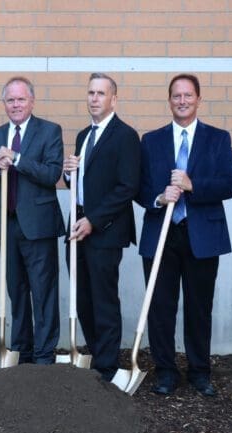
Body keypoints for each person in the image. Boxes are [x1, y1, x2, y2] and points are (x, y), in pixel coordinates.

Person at [137, 74, 232, 397]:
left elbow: (229, 184)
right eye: (176, 96)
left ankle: (199, 371)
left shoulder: (218, 138)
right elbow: (138, 187)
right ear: (169, 101)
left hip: (202, 235)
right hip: (162, 233)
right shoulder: (151, 140)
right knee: (160, 306)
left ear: (198, 99)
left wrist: (194, 185)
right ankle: (165, 371)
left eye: (188, 95)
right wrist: (159, 197)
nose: (182, 101)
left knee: (198, 306)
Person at [0, 76, 65, 364]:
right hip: (7, 224)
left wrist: (16, 159)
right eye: (10, 100)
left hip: (38, 226)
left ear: (32, 101)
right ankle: (21, 351)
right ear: (4, 104)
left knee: (43, 292)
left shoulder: (49, 131)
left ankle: (44, 354)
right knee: (16, 291)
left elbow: (52, 174)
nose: (16, 104)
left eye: (21, 99)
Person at [63, 73, 140, 380]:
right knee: (83, 298)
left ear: (113, 99)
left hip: (105, 230)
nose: (94, 98)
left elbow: (127, 186)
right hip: (77, 225)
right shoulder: (83, 135)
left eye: (101, 94)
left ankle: (106, 367)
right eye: (91, 93)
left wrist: (94, 220)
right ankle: (97, 355)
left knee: (103, 298)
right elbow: (80, 182)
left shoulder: (125, 136)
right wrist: (69, 174)